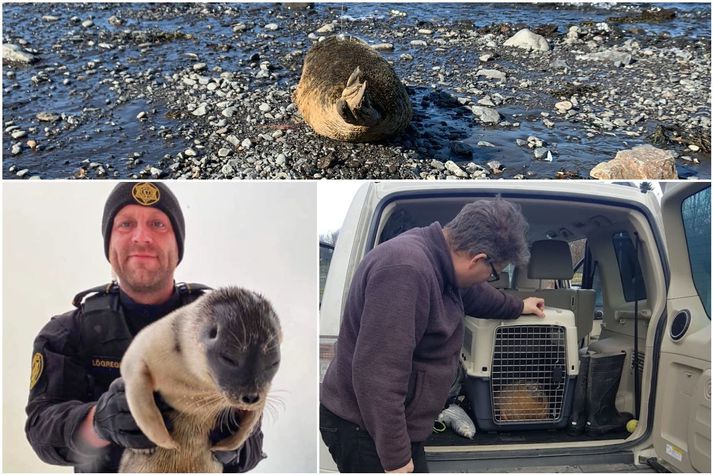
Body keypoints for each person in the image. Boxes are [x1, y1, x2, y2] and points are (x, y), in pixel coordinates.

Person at [25, 182, 264, 472]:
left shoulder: (226, 330)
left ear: (178, 246)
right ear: (108, 244)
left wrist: (230, 442)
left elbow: (252, 446)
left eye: (158, 224)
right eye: (125, 224)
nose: (142, 237)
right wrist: (98, 422)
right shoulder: (68, 333)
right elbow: (40, 429)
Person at [320, 198, 545, 473]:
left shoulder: (441, 262)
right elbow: (378, 375)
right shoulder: (405, 271)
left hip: (390, 423)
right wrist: (396, 459)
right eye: (494, 273)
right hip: (364, 429)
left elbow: (474, 292)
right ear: (479, 259)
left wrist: (519, 306)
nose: (489, 279)